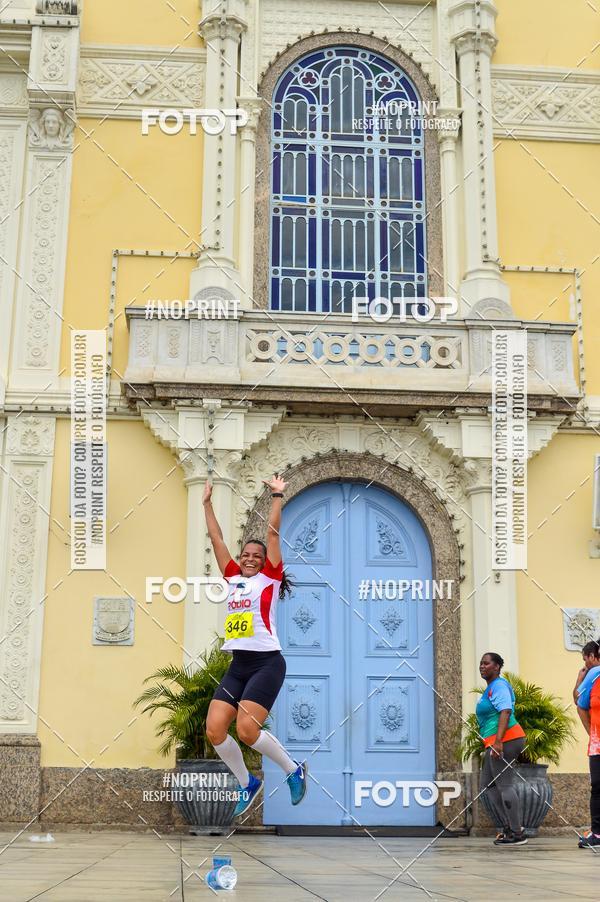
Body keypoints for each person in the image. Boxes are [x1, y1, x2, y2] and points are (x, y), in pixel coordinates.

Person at [203, 474, 308, 818]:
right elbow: (216, 537)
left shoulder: (270, 579)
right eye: (245, 554)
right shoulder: (232, 576)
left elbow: (272, 534)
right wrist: (206, 503)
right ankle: (247, 783)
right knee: (215, 729)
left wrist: (277, 496)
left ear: (265, 562)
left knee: (247, 729)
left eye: (255, 556)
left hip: (267, 663)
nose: (249, 559)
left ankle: (293, 769)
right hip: (238, 665)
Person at [476, 652, 527, 845]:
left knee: (504, 785)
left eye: (486, 663)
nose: (482, 666)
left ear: (496, 667)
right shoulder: (490, 688)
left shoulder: (498, 685)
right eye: (481, 663)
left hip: (507, 740)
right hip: (495, 742)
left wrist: (498, 742)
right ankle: (508, 828)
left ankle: (517, 833)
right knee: (488, 786)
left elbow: (505, 711)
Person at [575, 640, 600, 848]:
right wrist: (592, 733)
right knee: (597, 787)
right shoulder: (596, 674)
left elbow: (575, 696)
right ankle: (598, 833)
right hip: (598, 744)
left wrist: (578, 681)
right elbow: (580, 704)